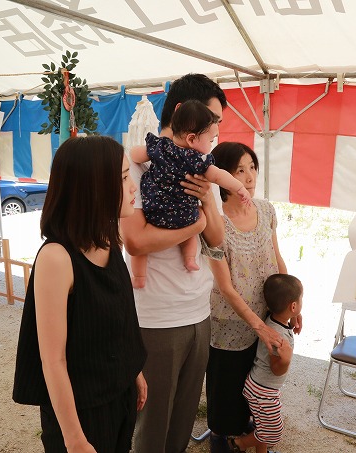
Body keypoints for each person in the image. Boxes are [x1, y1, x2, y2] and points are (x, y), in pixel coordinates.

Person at [12, 135, 147, 452]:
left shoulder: (109, 240)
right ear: (94, 187)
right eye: (125, 178)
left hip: (118, 394)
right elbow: (52, 360)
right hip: (80, 411)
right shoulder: (57, 259)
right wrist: (74, 438)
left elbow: (120, 319)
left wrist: (133, 371)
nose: (133, 188)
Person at [122, 73, 226, 453]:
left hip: (198, 312)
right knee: (152, 428)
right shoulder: (134, 162)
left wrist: (208, 202)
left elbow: (217, 240)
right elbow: (135, 239)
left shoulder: (202, 165)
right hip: (155, 317)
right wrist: (195, 223)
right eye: (212, 122)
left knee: (181, 422)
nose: (215, 134)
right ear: (185, 116)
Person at [206, 142, 299, 453]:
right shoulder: (215, 223)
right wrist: (258, 327)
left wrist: (291, 304)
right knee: (227, 382)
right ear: (221, 177)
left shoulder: (265, 209)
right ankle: (221, 436)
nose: (249, 177)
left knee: (256, 376)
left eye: (252, 167)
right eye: (239, 170)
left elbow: (278, 259)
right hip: (229, 319)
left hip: (266, 312)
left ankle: (247, 428)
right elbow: (226, 287)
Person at [129, 100, 251, 288]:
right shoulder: (198, 161)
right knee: (190, 234)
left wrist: (135, 154)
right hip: (183, 215)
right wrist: (239, 188)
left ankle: (139, 277)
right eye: (211, 140)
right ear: (192, 139)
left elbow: (137, 155)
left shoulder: (160, 147)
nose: (212, 145)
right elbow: (219, 176)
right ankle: (189, 258)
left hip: (153, 210)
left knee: (141, 255)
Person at [227, 274, 303, 453]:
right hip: (263, 391)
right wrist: (286, 359)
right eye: (301, 299)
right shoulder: (278, 337)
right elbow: (277, 369)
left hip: (257, 385)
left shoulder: (273, 321)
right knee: (273, 432)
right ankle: (239, 444)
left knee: (262, 427)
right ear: (293, 306)